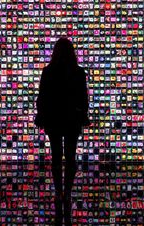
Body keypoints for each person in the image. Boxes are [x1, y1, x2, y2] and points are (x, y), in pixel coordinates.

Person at [34, 36, 91, 226]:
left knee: (57, 156)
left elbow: (41, 97)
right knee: (70, 156)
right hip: (72, 120)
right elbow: (84, 98)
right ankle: (67, 192)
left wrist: (41, 115)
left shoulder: (48, 72)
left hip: (54, 120)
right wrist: (84, 115)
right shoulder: (78, 72)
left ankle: (59, 192)